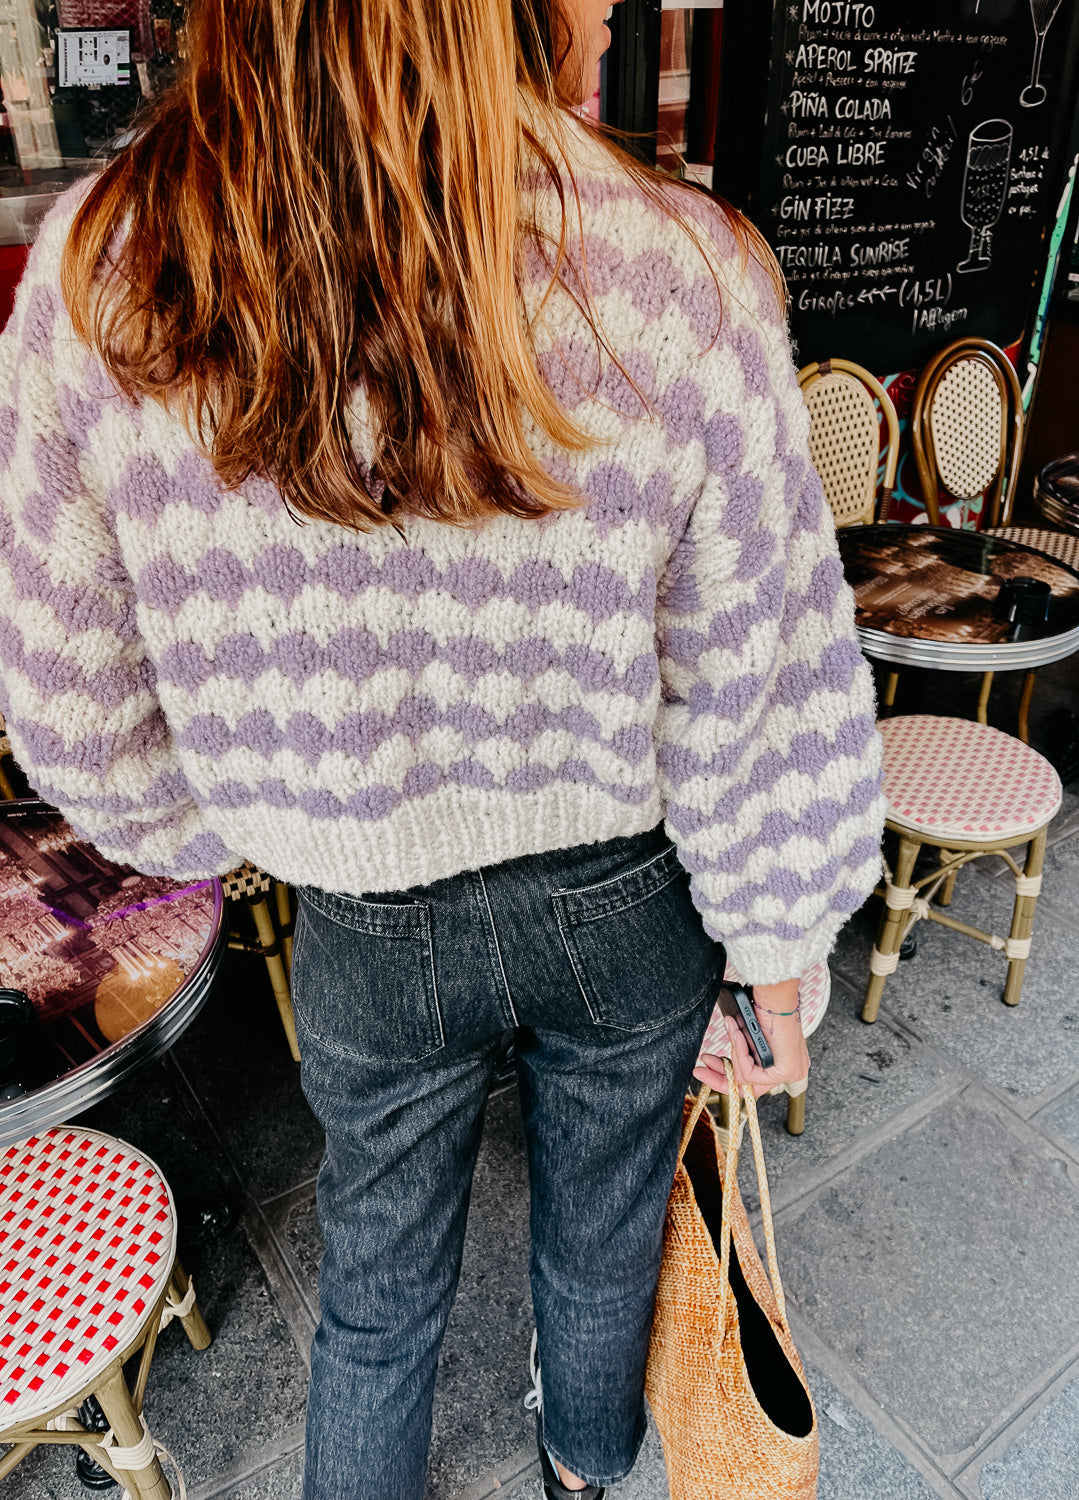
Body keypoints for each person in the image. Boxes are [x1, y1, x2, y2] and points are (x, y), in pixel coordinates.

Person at [0, 1, 885, 1496]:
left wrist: (245, 826)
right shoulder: (679, 264)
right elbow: (764, 671)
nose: (607, 15)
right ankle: (581, 1471)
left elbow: (72, 706)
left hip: (364, 923)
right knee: (606, 1236)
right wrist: (778, 954)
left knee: (377, 1292)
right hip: (625, 902)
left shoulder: (113, 274)